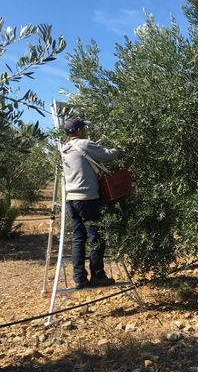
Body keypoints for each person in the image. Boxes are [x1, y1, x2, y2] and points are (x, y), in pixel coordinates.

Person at [60, 117, 120, 288]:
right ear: (78, 130)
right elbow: (108, 155)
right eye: (83, 129)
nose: (85, 131)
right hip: (87, 198)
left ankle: (79, 278)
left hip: (71, 199)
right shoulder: (84, 144)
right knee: (96, 238)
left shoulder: (64, 149)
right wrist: (122, 147)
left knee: (78, 239)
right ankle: (98, 275)